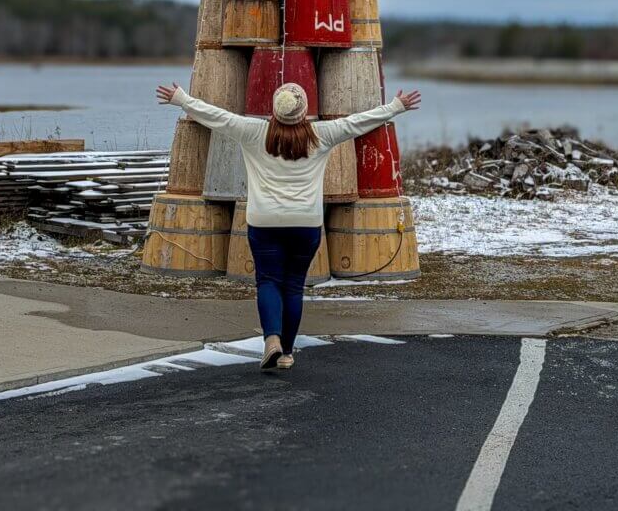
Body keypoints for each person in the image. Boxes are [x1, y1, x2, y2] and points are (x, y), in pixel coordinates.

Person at [157, 79, 421, 371]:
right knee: (293, 287)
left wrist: (182, 99)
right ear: (304, 111)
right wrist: (395, 107)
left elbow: (217, 117)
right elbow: (356, 123)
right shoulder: (320, 135)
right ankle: (285, 353)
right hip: (305, 224)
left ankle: (271, 338)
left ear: (274, 111)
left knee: (268, 281)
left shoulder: (253, 132)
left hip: (264, 222)